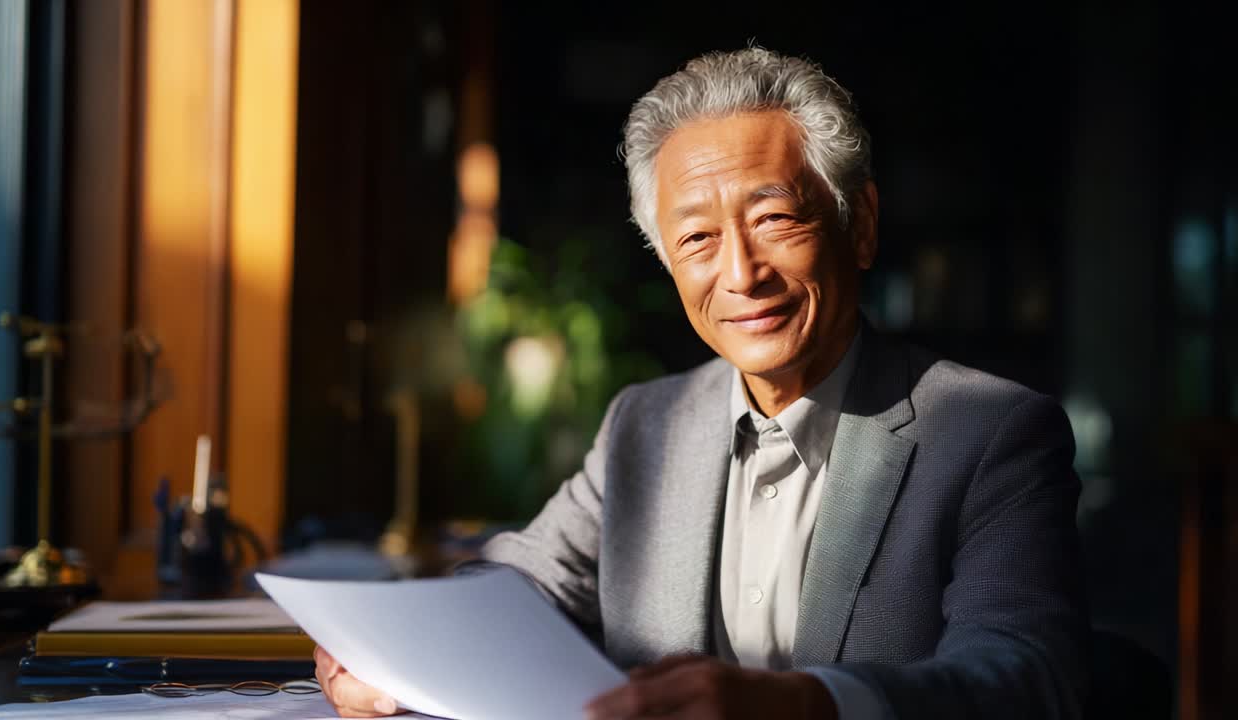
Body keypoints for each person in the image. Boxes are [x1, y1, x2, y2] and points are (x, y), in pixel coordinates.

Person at [314, 48, 1089, 719]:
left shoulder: (990, 431)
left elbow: (1029, 679)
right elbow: (517, 581)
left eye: (777, 219)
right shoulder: (646, 424)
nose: (741, 274)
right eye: (697, 240)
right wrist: (388, 650)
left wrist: (808, 706)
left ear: (860, 226)